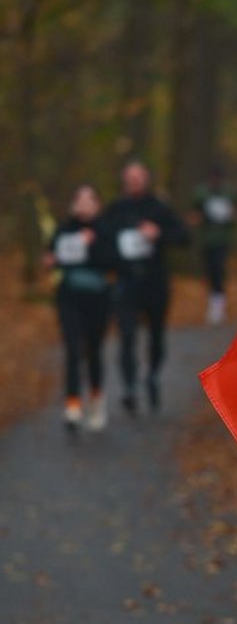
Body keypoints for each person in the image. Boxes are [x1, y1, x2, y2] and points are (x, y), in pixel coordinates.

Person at [100, 161, 189, 413]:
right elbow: (101, 240)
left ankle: (152, 375)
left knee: (156, 334)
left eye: (139, 177)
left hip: (155, 283)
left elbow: (183, 236)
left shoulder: (159, 208)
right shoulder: (116, 210)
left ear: (146, 179)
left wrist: (158, 233)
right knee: (126, 335)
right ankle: (129, 386)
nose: (134, 182)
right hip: (126, 283)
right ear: (124, 181)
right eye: (130, 178)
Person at [45, 183, 113, 434]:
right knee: (73, 349)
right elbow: (52, 256)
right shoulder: (64, 229)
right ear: (73, 204)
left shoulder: (106, 229)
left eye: (89, 200)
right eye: (79, 200)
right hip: (69, 299)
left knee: (93, 350)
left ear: (97, 204)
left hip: (98, 300)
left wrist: (89, 246)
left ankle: (96, 399)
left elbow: (113, 260)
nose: (83, 205)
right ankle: (72, 405)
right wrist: (52, 260)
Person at [190, 165, 237, 325]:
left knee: (219, 269)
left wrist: (228, 216)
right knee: (210, 270)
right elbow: (194, 214)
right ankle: (213, 301)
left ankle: (218, 304)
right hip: (207, 238)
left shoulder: (229, 193)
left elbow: (236, 213)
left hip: (222, 238)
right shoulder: (202, 193)